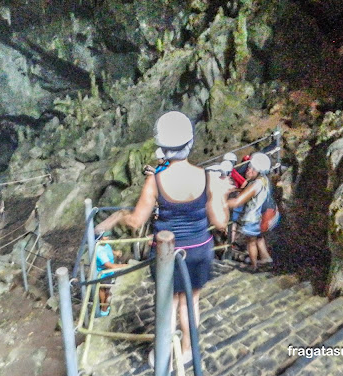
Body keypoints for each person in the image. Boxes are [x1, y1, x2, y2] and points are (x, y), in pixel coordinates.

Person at [94, 111, 230, 367]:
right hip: (200, 249)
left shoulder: (155, 180)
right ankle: (188, 350)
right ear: (189, 144)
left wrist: (119, 217)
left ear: (162, 147)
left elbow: (136, 221)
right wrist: (222, 196)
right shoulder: (207, 177)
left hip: (167, 254)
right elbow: (220, 222)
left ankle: (164, 353)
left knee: (168, 304)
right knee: (191, 302)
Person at [225, 152, 275, 269]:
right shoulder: (264, 180)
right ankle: (266, 258)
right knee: (259, 237)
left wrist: (221, 204)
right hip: (262, 216)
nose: (249, 170)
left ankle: (254, 265)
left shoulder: (255, 185)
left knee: (251, 242)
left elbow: (238, 201)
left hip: (252, 218)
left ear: (258, 171)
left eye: (252, 168)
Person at [95, 232, 129, 316]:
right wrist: (124, 266)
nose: (108, 238)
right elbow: (110, 265)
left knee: (103, 290)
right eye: (106, 237)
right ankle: (104, 311)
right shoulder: (99, 252)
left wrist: (115, 252)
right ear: (100, 239)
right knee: (108, 292)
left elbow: (108, 248)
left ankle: (103, 307)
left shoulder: (104, 244)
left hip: (108, 273)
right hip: (104, 275)